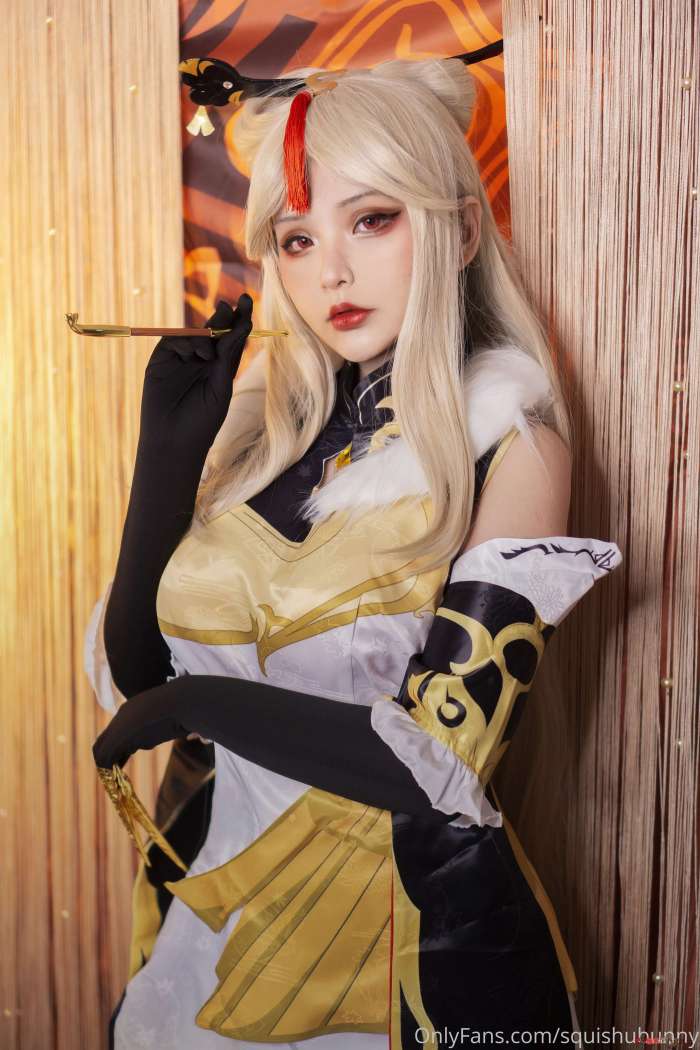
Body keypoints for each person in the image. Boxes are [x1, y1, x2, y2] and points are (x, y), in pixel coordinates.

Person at [85, 54, 623, 1049]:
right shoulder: (260, 438)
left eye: (371, 220)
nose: (329, 271)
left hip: (408, 956)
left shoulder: (510, 445)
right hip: (204, 929)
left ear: (462, 230)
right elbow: (140, 678)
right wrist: (164, 464)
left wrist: (198, 706)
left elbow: (443, 759)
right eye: (297, 239)